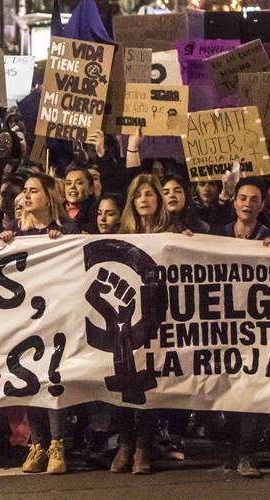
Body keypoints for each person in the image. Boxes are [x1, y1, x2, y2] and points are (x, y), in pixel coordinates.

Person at [0, 173, 75, 475]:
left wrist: (63, 243)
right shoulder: (14, 231)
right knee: (29, 377)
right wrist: (2, 244)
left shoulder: (65, 230)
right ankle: (38, 444)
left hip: (55, 315)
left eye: (34, 191)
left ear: (48, 196)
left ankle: (58, 443)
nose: (27, 196)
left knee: (52, 378)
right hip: (23, 318)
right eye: (25, 192)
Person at [108, 174, 170, 476]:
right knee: (121, 377)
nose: (144, 199)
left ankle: (144, 445)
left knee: (150, 379)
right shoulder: (121, 235)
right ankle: (125, 442)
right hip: (125, 318)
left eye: (149, 194)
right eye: (138, 195)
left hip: (158, 317)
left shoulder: (171, 235)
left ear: (158, 199)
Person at [220, 178, 270, 478]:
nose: (247, 203)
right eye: (242, 197)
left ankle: (247, 453)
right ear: (234, 202)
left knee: (254, 389)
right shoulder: (219, 236)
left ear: (261, 205)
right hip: (224, 325)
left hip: (257, 327)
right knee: (229, 388)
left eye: (253, 199)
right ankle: (235, 448)